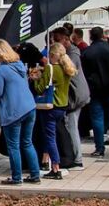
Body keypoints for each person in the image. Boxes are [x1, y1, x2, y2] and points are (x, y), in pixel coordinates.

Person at [0, 40, 41, 185]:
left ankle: (17, 178)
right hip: (29, 107)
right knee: (27, 143)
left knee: (13, 146)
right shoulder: (19, 65)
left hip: (13, 111)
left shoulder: (2, 70)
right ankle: (35, 175)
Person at [32, 42, 76, 180]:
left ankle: (55, 167)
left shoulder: (50, 68)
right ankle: (46, 160)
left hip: (51, 106)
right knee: (51, 135)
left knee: (50, 137)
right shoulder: (67, 68)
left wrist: (35, 79)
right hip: (62, 105)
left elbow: (40, 89)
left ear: (51, 55)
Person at [81, 26, 109, 157]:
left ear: (91, 36)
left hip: (95, 89)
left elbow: (83, 72)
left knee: (97, 119)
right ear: (103, 35)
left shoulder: (86, 52)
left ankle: (99, 148)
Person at [53, 26, 89, 171]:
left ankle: (77, 159)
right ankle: (75, 157)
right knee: (71, 125)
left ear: (66, 40)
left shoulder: (72, 54)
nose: (53, 42)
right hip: (78, 94)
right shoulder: (72, 52)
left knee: (71, 125)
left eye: (56, 40)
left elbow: (67, 71)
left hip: (76, 95)